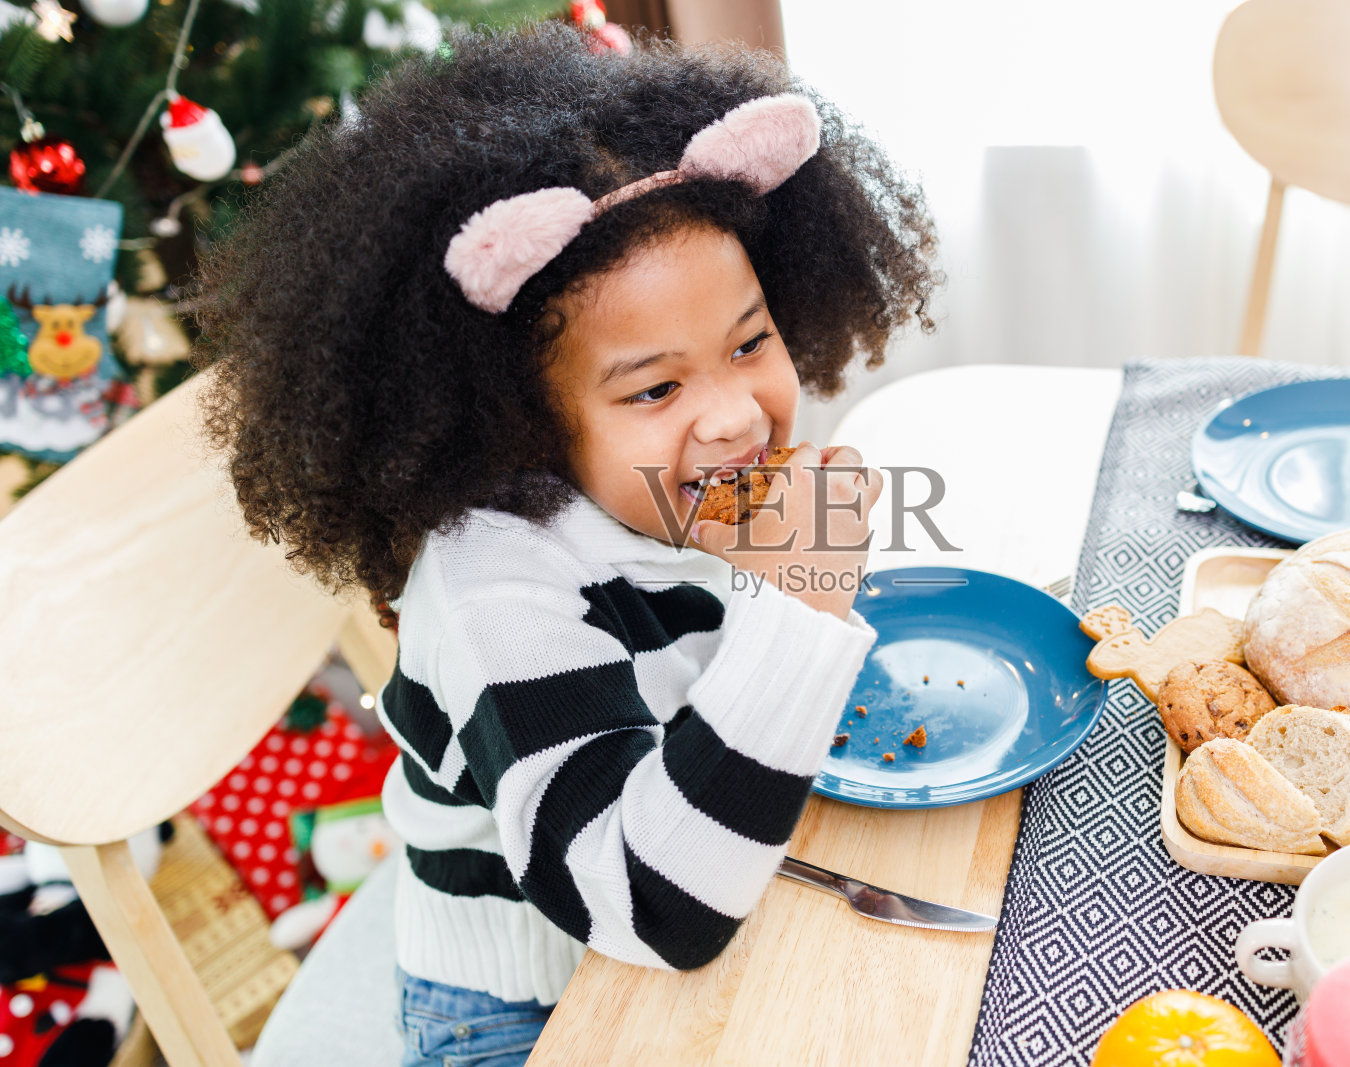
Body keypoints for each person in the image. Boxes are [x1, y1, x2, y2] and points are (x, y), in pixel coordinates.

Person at [192, 20, 938, 1067]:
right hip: (534, 999)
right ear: (525, 421)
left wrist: (793, 592)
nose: (733, 415)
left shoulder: (679, 484)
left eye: (750, 340)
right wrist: (804, 604)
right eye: (657, 386)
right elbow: (648, 907)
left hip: (699, 860)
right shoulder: (492, 588)